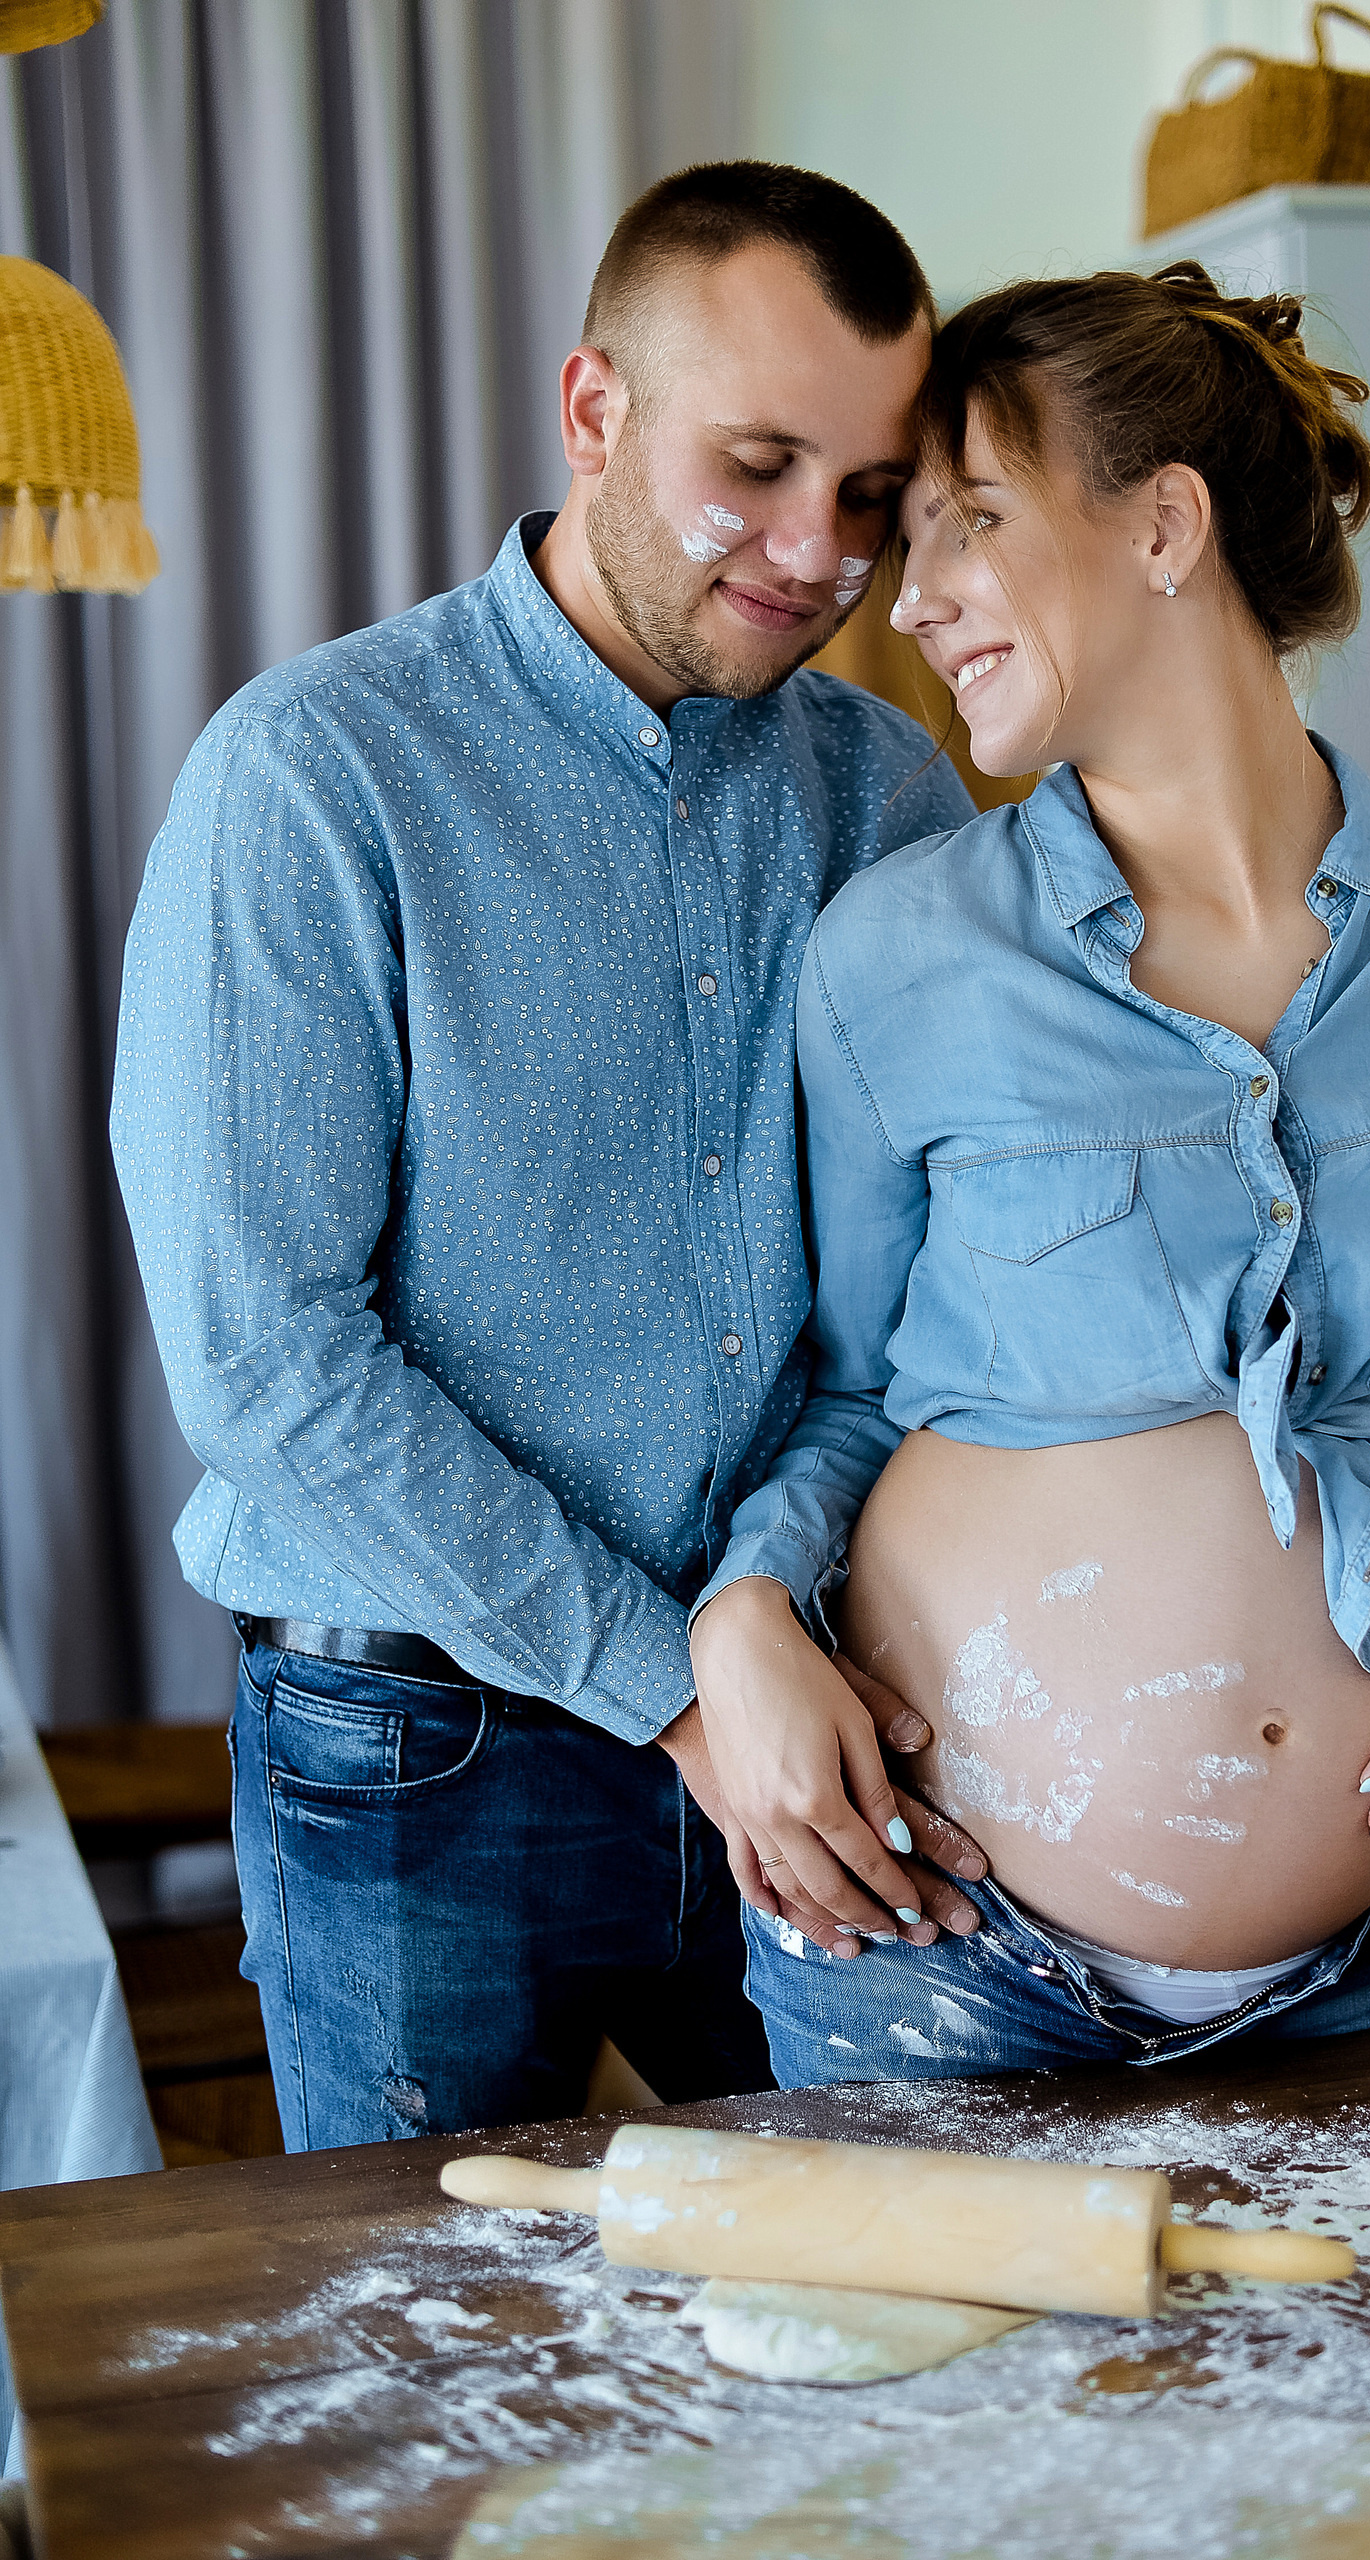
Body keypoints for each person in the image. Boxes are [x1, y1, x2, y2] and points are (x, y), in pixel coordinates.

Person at [109, 162, 991, 2151]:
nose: (820, 552)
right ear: (593, 409)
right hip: (416, 1746)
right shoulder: (311, 775)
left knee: (871, 2286)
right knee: (443, 2322)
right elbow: (265, 1361)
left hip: (812, 1702)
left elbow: (925, 1295)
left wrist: (758, 1620)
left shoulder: (890, 794)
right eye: (756, 467)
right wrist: (676, 1691)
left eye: (868, 492)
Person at [688, 264, 1370, 2086]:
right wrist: (742, 1614)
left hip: (1359, 1951)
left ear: (1165, 524)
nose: (909, 598)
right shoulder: (897, 953)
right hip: (938, 1947)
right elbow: (843, 1393)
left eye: (968, 525)